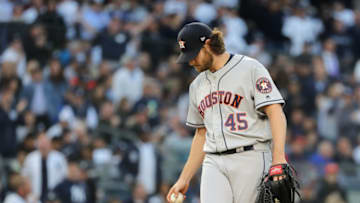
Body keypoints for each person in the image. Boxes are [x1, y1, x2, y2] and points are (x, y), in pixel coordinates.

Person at [166, 22, 288, 203]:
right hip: (213, 161)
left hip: (250, 156)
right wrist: (184, 178)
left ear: (208, 45)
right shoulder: (197, 85)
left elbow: (275, 112)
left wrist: (278, 157)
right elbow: (201, 134)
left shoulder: (250, 68)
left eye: (194, 54)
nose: (191, 61)